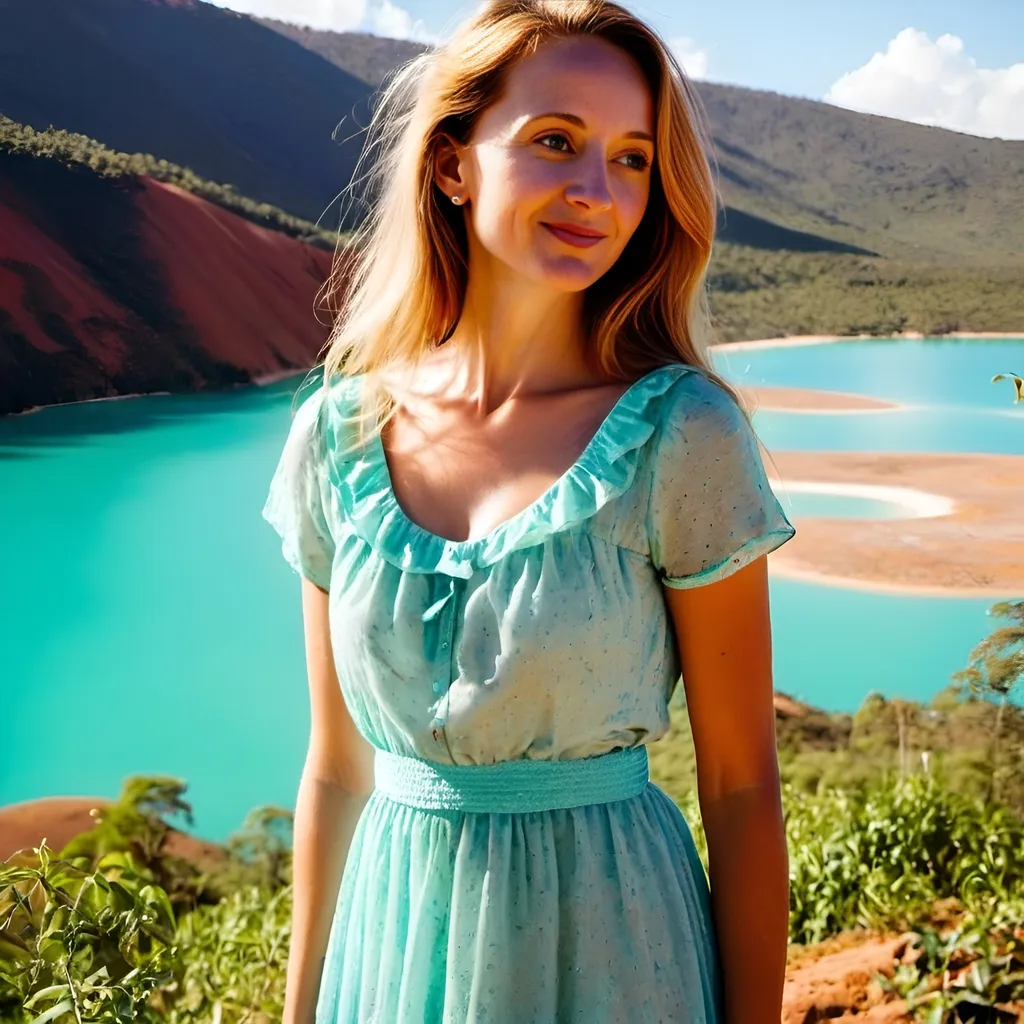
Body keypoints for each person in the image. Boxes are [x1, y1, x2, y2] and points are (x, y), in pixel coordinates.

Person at [261, 1, 796, 1021]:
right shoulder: (335, 436)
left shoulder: (682, 435)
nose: (597, 192)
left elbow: (739, 788)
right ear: (453, 164)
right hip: (392, 956)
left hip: (615, 953)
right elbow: (335, 771)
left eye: (633, 158)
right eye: (556, 141)